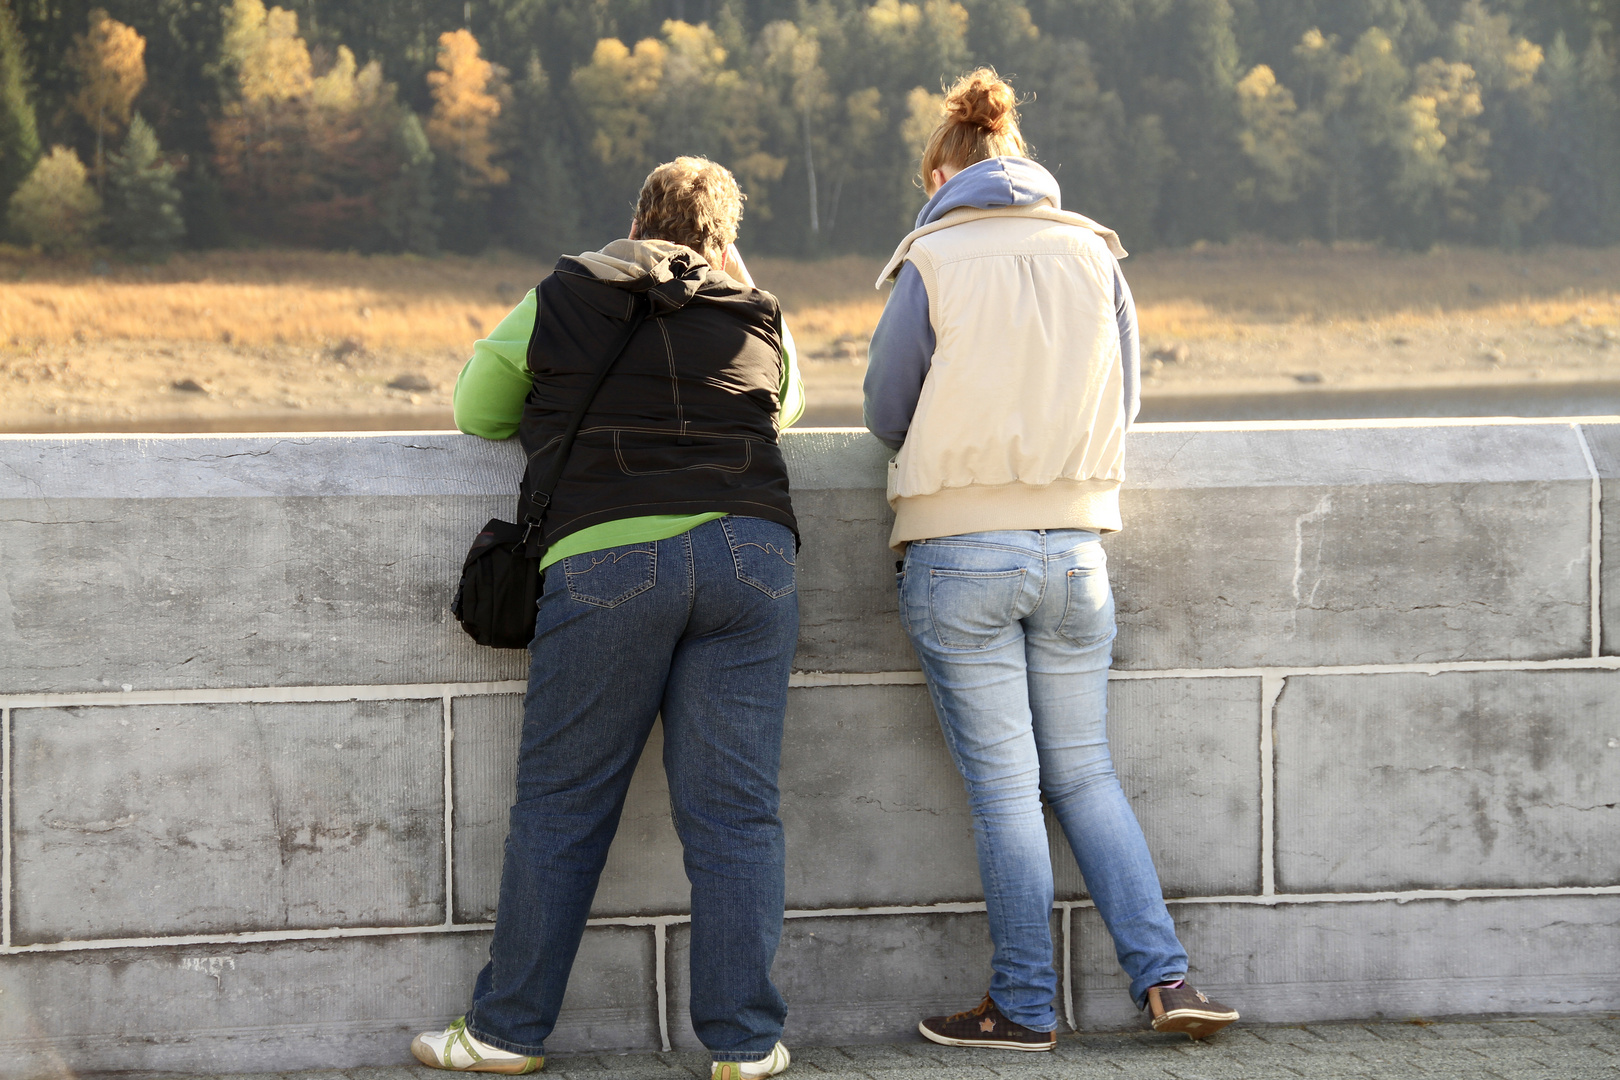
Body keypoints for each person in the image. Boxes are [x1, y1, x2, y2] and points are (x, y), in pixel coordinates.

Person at [863, 70, 1239, 1050]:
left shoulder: (934, 256)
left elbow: (884, 410)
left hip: (961, 550)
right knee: (1086, 776)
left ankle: (1025, 1006)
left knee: (1006, 791)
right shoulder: (1092, 252)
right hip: (1078, 551)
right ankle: (1167, 981)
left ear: (943, 168)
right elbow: (1125, 406)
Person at [413, 156, 804, 1080]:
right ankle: (745, 1046)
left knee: (561, 806)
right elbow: (782, 409)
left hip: (609, 557)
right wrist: (740, 284)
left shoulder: (563, 294)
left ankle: (506, 1033)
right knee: (738, 815)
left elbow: (477, 409)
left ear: (634, 219)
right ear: (725, 237)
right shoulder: (754, 310)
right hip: (753, 558)